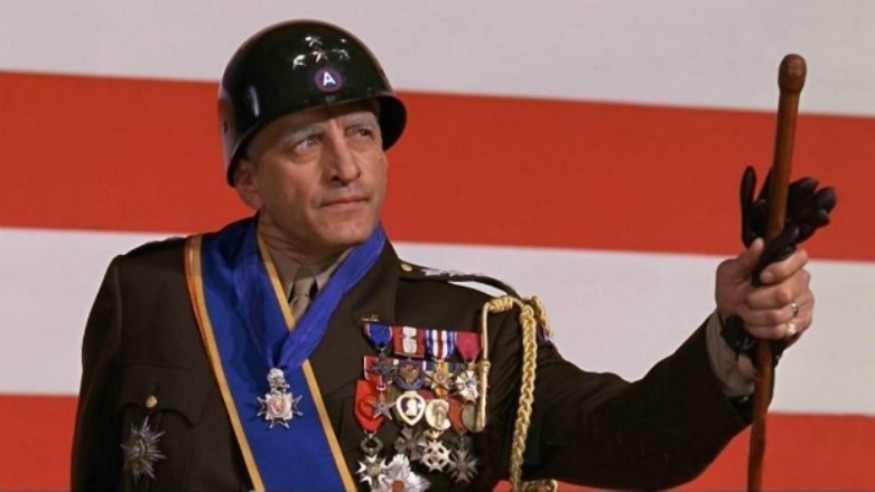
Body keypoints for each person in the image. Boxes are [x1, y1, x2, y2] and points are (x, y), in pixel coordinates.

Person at [71, 20, 835, 491]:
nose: (345, 166)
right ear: (246, 177)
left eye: (361, 133)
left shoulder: (479, 327)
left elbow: (631, 442)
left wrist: (733, 336)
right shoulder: (154, 293)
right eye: (306, 142)